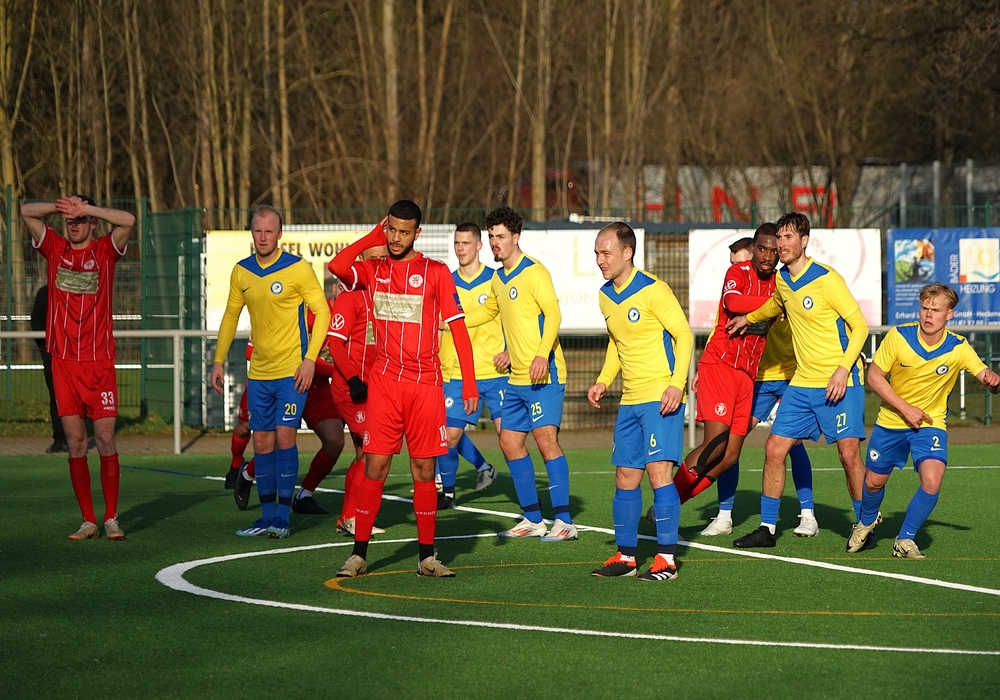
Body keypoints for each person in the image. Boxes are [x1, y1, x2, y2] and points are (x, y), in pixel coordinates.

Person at [329, 200, 478, 579]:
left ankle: (427, 557)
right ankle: (358, 554)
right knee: (375, 465)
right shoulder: (374, 270)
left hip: (425, 386)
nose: (396, 238)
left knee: (424, 470)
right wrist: (371, 237)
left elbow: (458, 329)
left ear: (417, 233)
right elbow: (337, 266)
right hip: (384, 385)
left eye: (404, 231)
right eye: (391, 230)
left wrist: (469, 382)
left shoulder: (435, 272)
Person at [727, 212, 868, 548]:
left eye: (788, 237)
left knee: (849, 455)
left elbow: (860, 326)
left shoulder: (827, 279)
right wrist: (747, 318)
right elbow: (774, 306)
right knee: (774, 449)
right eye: (779, 237)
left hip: (840, 381)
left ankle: (865, 523)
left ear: (804, 241)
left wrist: (842, 369)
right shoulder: (782, 280)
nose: (782, 244)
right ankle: (767, 528)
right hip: (803, 382)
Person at [848, 283, 1000, 557]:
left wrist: (992, 381)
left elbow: (985, 375)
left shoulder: (958, 347)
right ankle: (866, 520)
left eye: (936, 310)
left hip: (930, 424)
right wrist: (906, 409)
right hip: (891, 422)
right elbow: (874, 377)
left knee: (932, 480)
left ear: (949, 314)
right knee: (873, 483)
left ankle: (904, 540)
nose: (928, 315)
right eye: (925, 308)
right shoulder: (898, 336)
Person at [211, 204, 331, 539]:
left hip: (292, 373)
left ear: (280, 234)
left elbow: (322, 312)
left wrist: (310, 359)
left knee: (285, 437)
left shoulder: (298, 268)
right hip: (259, 374)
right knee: (261, 440)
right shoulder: (242, 271)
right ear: (252, 233)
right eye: (258, 231)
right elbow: (231, 316)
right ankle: (265, 517)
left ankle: (282, 516)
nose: (263, 237)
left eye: (269, 231)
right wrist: (218, 360)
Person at [21, 195, 136, 540]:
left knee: (105, 438)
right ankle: (88, 521)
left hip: (99, 362)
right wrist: (63, 208)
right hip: (64, 364)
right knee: (74, 442)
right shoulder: (55, 249)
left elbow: (129, 220)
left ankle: (111, 518)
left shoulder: (105, 251)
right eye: (70, 221)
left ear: (92, 223)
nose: (74, 225)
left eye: (81, 219)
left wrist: (86, 208)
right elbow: (26, 212)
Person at [463, 205, 575, 541]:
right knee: (509, 442)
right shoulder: (499, 278)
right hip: (516, 379)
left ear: (516, 237)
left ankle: (565, 522)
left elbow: (553, 315)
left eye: (500, 236)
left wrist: (541, 354)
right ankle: (533, 519)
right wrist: (451, 322)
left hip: (544, 375)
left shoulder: (535, 272)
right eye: (491, 236)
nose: (494, 242)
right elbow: (488, 311)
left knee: (545, 441)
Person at [587, 222, 692, 580]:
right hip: (629, 399)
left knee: (659, 473)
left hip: (661, 396)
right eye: (597, 253)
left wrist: (677, 385)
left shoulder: (653, 289)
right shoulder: (605, 295)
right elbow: (617, 343)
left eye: (606, 252)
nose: (600, 259)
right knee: (625, 475)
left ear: (627, 252)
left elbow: (684, 335)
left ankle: (667, 561)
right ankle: (627, 557)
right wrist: (604, 380)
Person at [669, 224, 779, 508]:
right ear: (754, 249)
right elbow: (733, 301)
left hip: (748, 376)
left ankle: (671, 505)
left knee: (730, 456)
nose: (767, 255)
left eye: (773, 250)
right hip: (721, 365)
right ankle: (666, 504)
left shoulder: (781, 282)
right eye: (762, 248)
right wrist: (777, 303)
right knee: (715, 445)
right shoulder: (738, 272)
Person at [435, 222, 505, 509]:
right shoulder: (447, 282)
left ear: (479, 246)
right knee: (449, 436)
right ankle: (448, 494)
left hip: (496, 373)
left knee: (509, 439)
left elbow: (514, 320)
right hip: (458, 374)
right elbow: (439, 326)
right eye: (457, 243)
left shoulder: (496, 280)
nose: (460, 248)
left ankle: (530, 502)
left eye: (466, 243)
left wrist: (510, 351)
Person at [327, 243, 388, 537]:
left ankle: (349, 517)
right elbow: (335, 344)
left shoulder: (386, 295)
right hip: (350, 389)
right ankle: (351, 516)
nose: (378, 263)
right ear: (361, 261)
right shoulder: (350, 297)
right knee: (371, 450)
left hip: (374, 389)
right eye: (372, 258)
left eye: (382, 258)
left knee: (364, 453)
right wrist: (353, 380)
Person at [30, 285, 67, 453]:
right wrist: (46, 351)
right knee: (55, 398)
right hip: (51, 357)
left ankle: (74, 438)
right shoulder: (44, 293)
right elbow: (36, 324)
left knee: (75, 399)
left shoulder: (73, 292)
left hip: (73, 357)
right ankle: (60, 439)